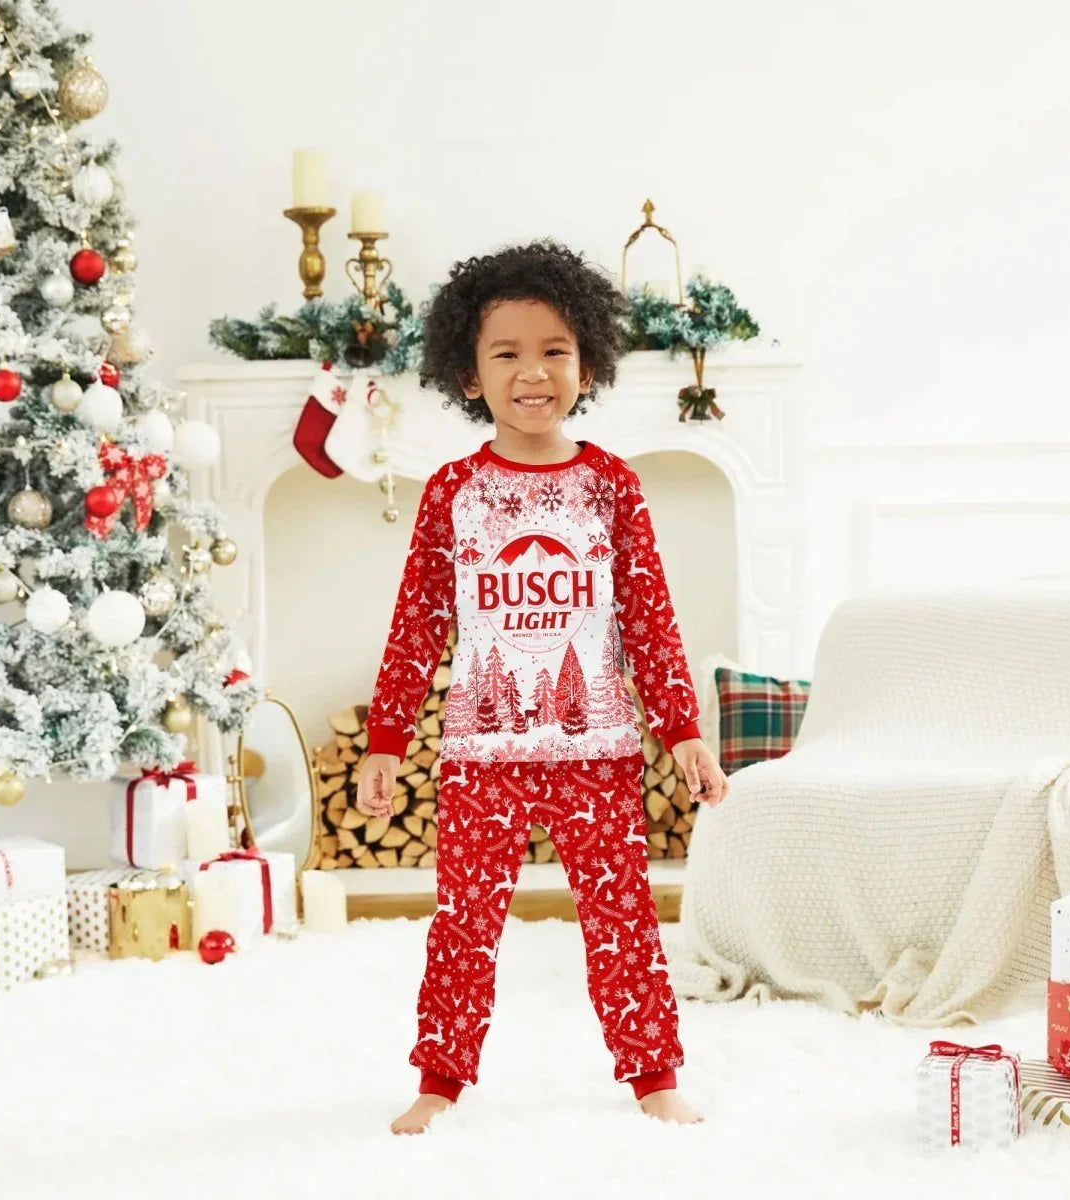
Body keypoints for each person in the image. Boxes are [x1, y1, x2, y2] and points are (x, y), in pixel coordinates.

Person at [356, 241, 729, 1135]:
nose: (533, 372)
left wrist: (682, 729)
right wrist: (382, 743)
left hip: (596, 752)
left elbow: (649, 618)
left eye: (555, 350)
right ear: (468, 374)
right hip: (480, 756)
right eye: (507, 354)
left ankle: (653, 1076)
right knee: (463, 925)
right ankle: (440, 1078)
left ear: (589, 362)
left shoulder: (612, 488)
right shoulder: (452, 493)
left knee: (623, 922)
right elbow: (416, 628)